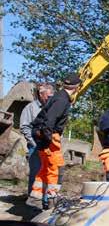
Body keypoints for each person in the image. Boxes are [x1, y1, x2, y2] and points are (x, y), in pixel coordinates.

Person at [27, 72, 81, 209]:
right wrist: (48, 139)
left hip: (44, 135)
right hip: (49, 137)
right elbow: (49, 121)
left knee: (45, 169)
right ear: (77, 87)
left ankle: (36, 199)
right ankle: (51, 200)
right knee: (56, 168)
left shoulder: (58, 97)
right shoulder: (62, 100)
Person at [20, 83, 55, 195]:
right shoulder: (30, 108)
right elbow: (24, 127)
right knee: (36, 174)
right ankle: (33, 200)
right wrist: (33, 143)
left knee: (49, 175)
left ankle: (45, 201)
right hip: (35, 147)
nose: (50, 98)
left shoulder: (52, 108)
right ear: (41, 94)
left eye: (52, 96)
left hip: (49, 148)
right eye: (48, 96)